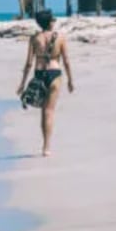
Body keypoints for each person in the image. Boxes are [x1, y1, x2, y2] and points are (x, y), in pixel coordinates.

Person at [15, 10, 75, 157]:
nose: (54, 21)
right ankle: (47, 147)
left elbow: (29, 63)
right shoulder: (60, 37)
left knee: (44, 112)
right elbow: (66, 60)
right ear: (50, 22)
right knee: (50, 111)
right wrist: (70, 80)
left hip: (40, 74)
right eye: (53, 20)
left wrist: (22, 84)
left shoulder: (35, 38)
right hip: (55, 74)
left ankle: (45, 146)